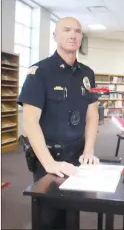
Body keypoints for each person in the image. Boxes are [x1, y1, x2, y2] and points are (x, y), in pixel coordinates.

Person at [17, 17, 99, 230]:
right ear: (55, 35)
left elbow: (92, 114)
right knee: (48, 219)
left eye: (78, 31)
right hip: (48, 159)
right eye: (67, 30)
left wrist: (89, 149)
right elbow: (30, 121)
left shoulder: (87, 74)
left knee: (72, 215)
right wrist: (49, 164)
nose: (73, 35)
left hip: (77, 156)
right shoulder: (40, 72)